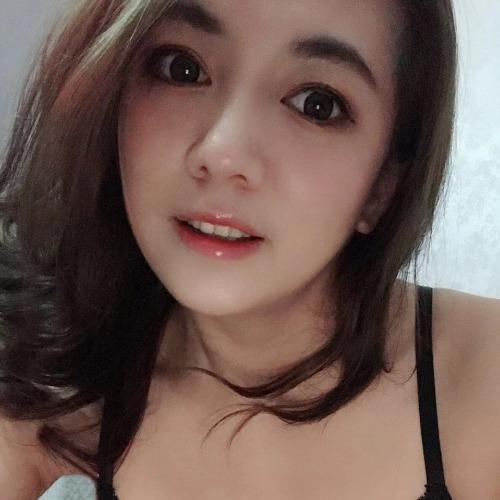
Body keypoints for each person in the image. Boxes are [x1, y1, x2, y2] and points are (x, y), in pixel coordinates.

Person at [0, 0, 499, 498]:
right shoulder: (55, 389)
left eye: (317, 104)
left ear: (383, 187)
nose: (223, 153)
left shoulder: (484, 376)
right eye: (182, 68)